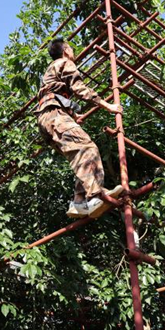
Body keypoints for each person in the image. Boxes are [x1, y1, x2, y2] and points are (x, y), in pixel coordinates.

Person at [34, 38, 123, 217]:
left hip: (48, 119)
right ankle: (95, 195)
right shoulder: (64, 62)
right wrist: (108, 106)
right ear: (66, 50)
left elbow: (54, 94)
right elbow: (80, 88)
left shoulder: (51, 71)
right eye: (71, 49)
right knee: (88, 148)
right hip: (54, 116)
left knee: (79, 155)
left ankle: (79, 201)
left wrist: (73, 116)